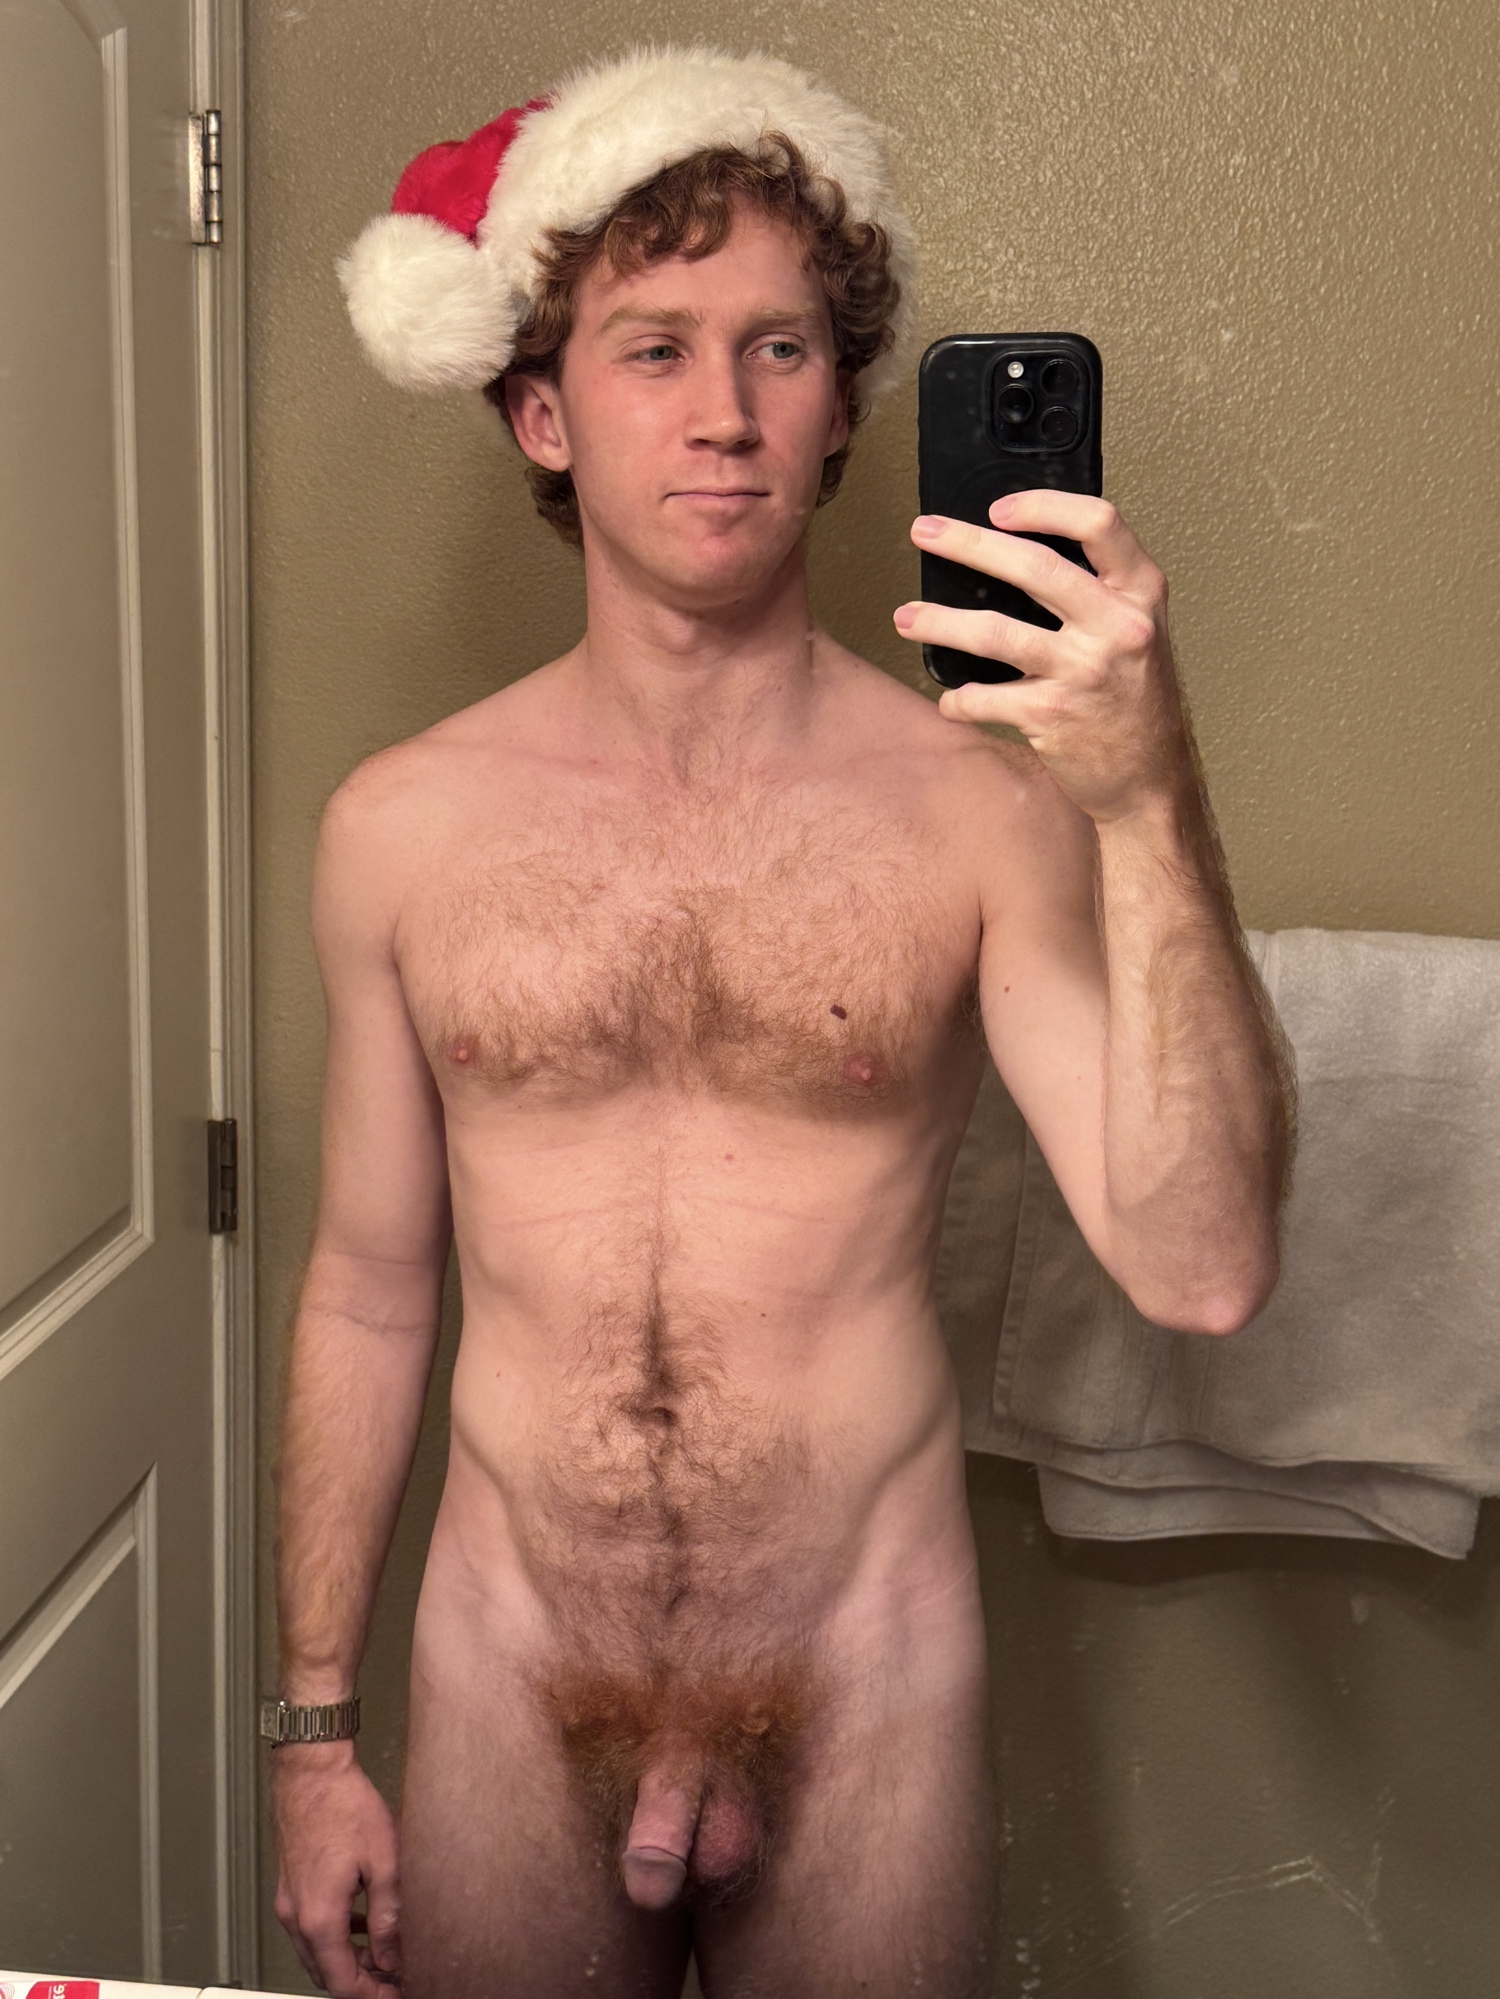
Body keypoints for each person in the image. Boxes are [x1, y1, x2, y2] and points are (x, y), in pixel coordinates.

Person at [268, 47, 1292, 1999]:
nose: (725, 413)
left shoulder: (986, 810)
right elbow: (371, 1292)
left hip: (863, 1674)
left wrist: (1152, 797)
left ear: (841, 410)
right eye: (653, 350)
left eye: (782, 349)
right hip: (510, 1672)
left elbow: (1208, 1267)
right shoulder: (397, 830)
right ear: (542, 410)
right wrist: (314, 1735)